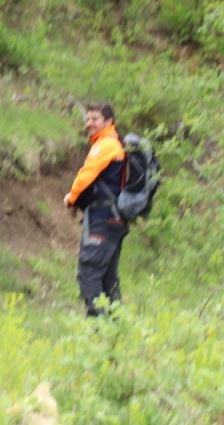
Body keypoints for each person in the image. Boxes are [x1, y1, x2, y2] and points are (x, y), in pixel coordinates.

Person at [63, 102, 128, 317]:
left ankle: (98, 324)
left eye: (95, 119)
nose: (89, 123)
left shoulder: (106, 144)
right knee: (108, 277)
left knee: (89, 271)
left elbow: (86, 175)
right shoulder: (116, 143)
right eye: (88, 119)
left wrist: (71, 198)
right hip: (115, 218)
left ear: (108, 122)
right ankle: (117, 325)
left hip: (103, 218)